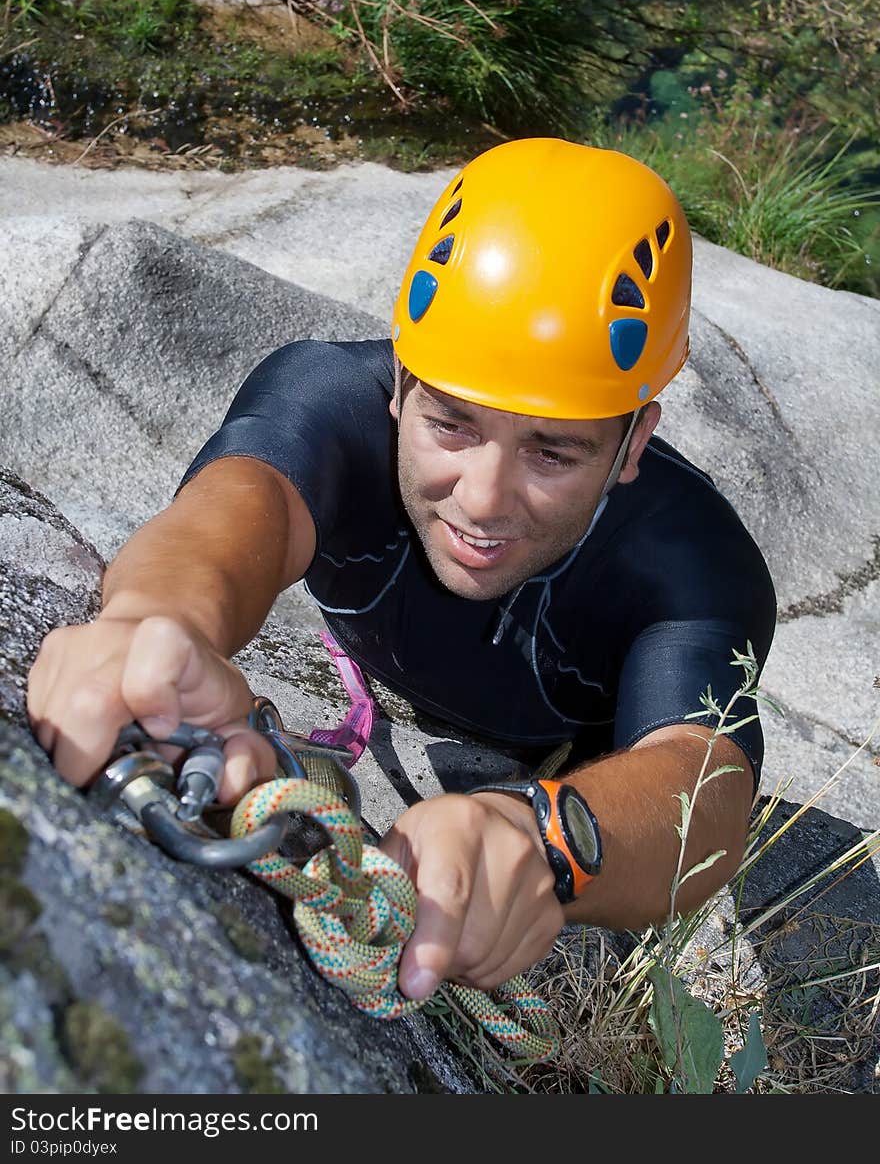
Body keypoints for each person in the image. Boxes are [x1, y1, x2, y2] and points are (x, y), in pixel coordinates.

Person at [27, 137, 776, 1004]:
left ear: (635, 441)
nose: (484, 498)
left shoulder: (694, 560)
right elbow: (232, 512)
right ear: (399, 383)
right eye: (450, 424)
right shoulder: (328, 396)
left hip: (564, 752)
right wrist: (151, 627)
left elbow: (706, 787)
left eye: (554, 450)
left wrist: (550, 837)